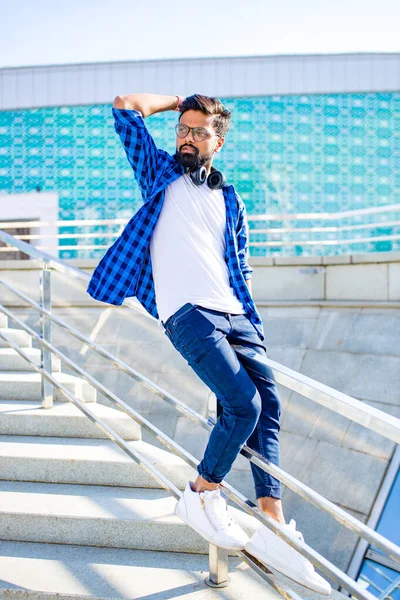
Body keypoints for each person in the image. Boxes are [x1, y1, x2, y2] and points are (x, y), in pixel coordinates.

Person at [87, 93, 331, 595]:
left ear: (219, 141)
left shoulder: (230, 198)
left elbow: (238, 268)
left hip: (234, 314)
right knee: (242, 405)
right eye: (183, 128)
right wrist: (176, 102)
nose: (188, 137)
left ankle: (273, 525)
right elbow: (125, 107)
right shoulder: (159, 173)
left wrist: (252, 326)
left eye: (200, 131)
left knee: (269, 408)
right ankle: (202, 493)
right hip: (188, 314)